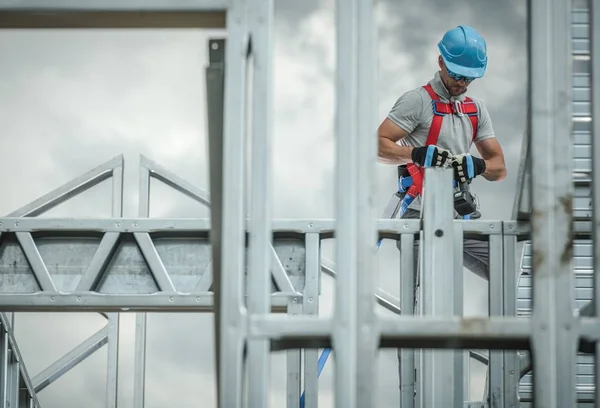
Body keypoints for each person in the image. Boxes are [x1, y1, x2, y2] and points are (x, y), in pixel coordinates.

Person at [378, 24, 506, 282]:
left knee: (507, 268)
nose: (462, 83)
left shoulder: (475, 110)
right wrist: (416, 154)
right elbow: (378, 147)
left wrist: (478, 166)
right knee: (421, 296)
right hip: (419, 215)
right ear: (441, 62)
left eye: (469, 78)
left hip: (460, 214)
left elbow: (499, 168)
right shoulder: (417, 101)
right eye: (457, 75)